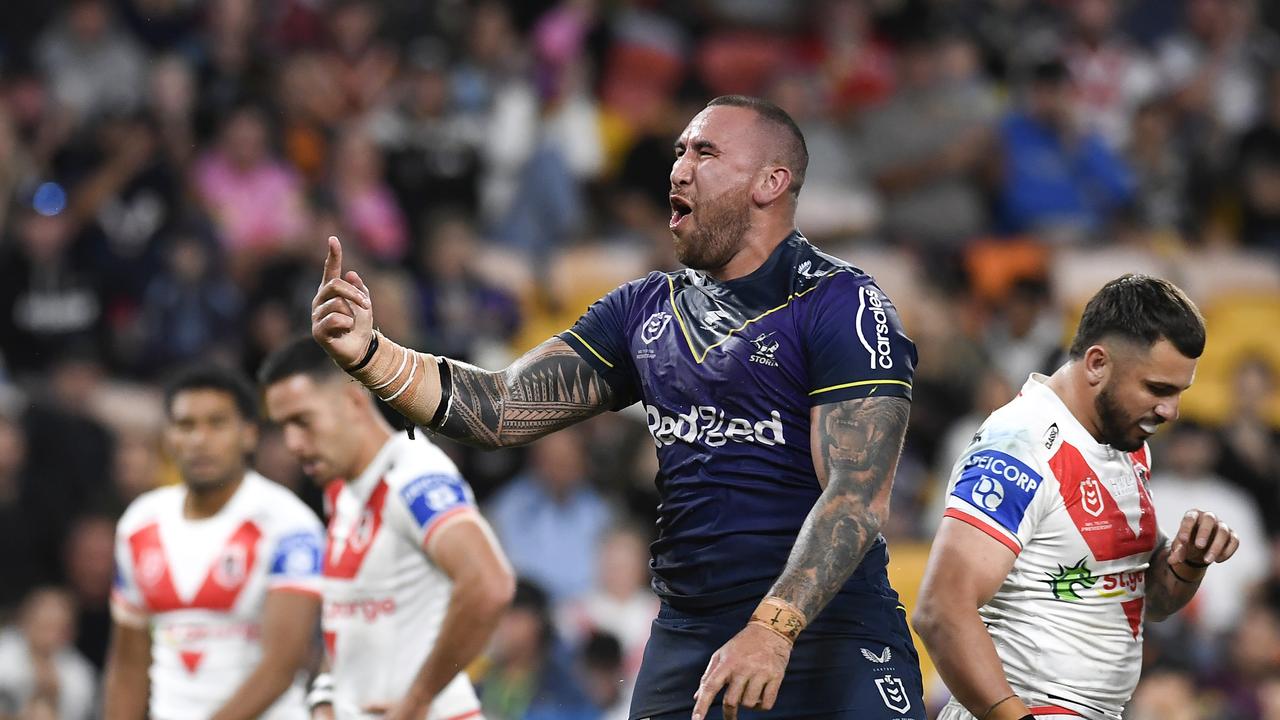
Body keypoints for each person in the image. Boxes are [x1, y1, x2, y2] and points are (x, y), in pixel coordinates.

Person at [311, 94, 924, 720]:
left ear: (772, 182)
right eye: (680, 151)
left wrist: (774, 628)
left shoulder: (840, 303)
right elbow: (499, 409)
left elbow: (856, 493)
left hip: (832, 634)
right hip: (690, 637)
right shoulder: (642, 311)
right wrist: (371, 354)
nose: (679, 169)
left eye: (705, 152)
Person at [912, 275, 1243, 720]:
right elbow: (940, 610)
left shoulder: (1123, 442)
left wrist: (1189, 560)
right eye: (1158, 389)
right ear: (1097, 364)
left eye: (1179, 392)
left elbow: (1151, 603)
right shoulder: (1020, 444)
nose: (1171, 411)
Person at [258, 336, 515, 720]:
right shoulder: (340, 490)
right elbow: (351, 615)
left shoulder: (413, 475)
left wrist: (417, 700)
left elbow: (489, 585)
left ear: (354, 402)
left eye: (303, 421)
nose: (292, 444)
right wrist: (325, 696)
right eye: (282, 427)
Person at [104, 365, 324, 720]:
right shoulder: (139, 524)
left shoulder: (288, 524)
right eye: (185, 425)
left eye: (216, 424)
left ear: (249, 434)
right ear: (168, 437)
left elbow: (283, 664)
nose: (199, 440)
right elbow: (128, 664)